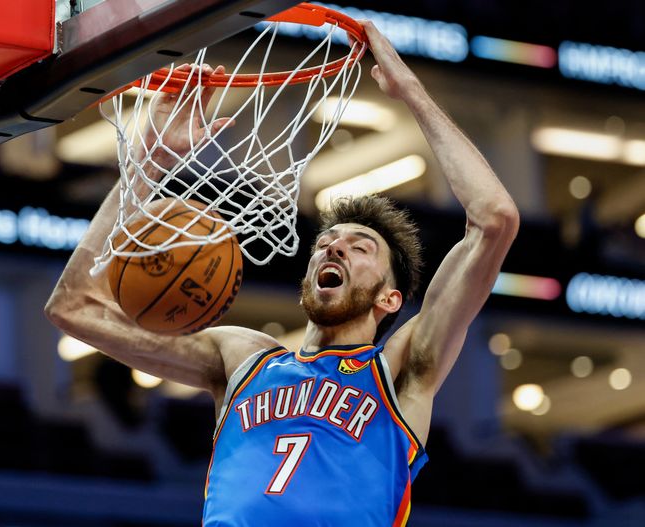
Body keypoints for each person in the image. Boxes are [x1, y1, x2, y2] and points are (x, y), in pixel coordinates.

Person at [45, 20, 519, 526]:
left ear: (390, 299)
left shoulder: (399, 372)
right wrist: (151, 159)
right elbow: (72, 308)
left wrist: (413, 93)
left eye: (360, 248)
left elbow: (494, 219)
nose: (335, 249)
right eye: (326, 243)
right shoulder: (241, 358)